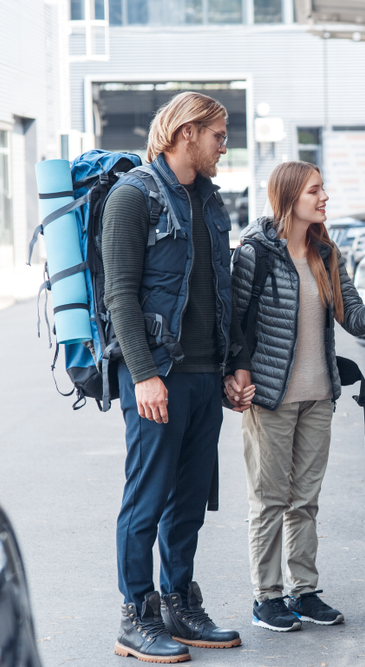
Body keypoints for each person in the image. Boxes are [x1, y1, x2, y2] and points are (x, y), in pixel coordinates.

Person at [230, 161, 365, 632]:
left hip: (319, 397)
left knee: (305, 500)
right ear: (290, 196)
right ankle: (266, 597)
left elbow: (353, 318)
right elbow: (232, 323)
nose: (324, 198)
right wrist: (234, 376)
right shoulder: (256, 253)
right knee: (269, 498)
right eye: (316, 190)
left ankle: (304, 591)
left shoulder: (325, 253)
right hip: (270, 397)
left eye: (323, 190)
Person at [103, 91, 254, 663]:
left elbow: (222, 290)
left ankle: (179, 605)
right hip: (156, 374)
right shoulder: (132, 195)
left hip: (203, 373)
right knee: (146, 499)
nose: (224, 146)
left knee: (189, 501)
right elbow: (120, 293)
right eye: (218, 136)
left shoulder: (211, 202)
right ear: (186, 132)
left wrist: (235, 362)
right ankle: (135, 616)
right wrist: (143, 375)